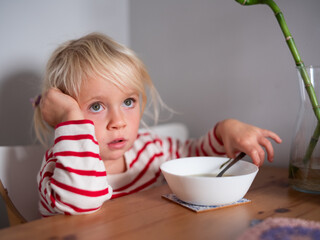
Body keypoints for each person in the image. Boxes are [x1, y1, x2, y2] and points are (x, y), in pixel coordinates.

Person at [33, 32, 282, 217]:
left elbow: (196, 155)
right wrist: (70, 115)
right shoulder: (59, 166)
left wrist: (226, 129)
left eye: (128, 101)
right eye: (96, 106)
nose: (118, 122)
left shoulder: (150, 149)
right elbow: (81, 201)